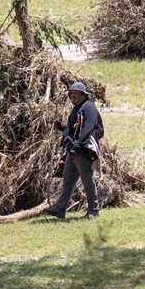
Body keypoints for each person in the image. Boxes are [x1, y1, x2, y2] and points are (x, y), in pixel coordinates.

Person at [44, 82, 104, 220]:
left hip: (83, 150)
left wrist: (77, 146)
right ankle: (60, 209)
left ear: (83, 94)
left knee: (87, 179)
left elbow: (87, 129)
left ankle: (93, 211)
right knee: (68, 179)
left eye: (75, 93)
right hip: (73, 149)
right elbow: (73, 129)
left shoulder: (89, 108)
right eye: (71, 93)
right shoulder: (77, 108)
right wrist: (61, 127)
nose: (72, 95)